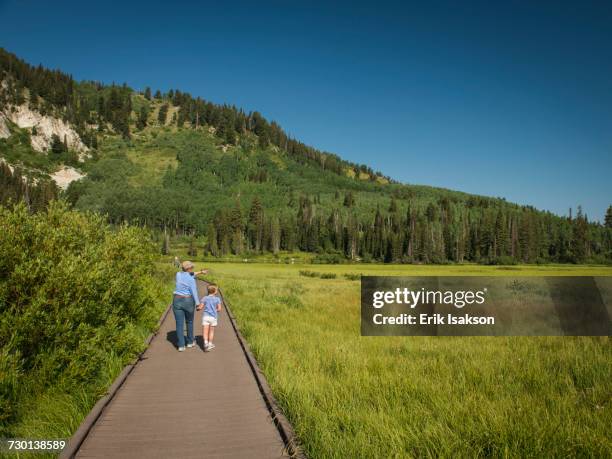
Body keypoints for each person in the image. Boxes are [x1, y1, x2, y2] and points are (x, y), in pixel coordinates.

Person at [172, 261, 204, 352]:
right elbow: (194, 292)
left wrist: (201, 272)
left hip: (177, 300)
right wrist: (198, 304)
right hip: (188, 301)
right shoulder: (191, 279)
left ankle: (181, 345)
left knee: (179, 323)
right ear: (190, 268)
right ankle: (190, 342)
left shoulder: (178, 274)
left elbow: (191, 273)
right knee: (189, 322)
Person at [201, 284, 222, 351]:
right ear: (215, 291)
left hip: (206, 316)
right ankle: (210, 344)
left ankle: (205, 343)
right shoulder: (217, 299)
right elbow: (219, 309)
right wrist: (215, 310)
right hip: (213, 317)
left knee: (205, 331)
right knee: (211, 331)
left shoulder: (205, 298)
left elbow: (200, 307)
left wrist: (198, 308)